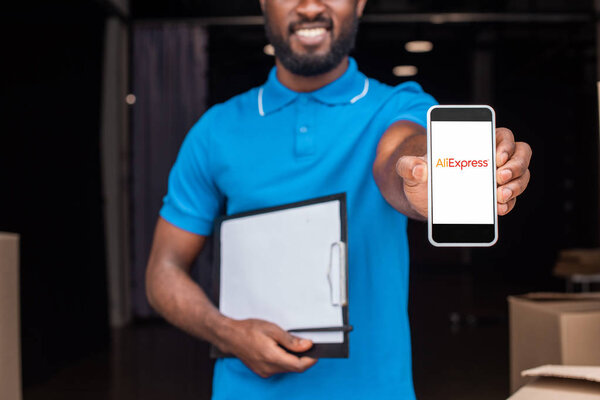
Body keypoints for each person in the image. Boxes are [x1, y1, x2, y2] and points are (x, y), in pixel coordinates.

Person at [145, 0, 532, 398]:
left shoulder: (398, 107)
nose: (311, 6)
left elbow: (399, 152)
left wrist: (418, 174)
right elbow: (164, 271)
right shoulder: (214, 131)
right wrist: (227, 334)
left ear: (360, 3)